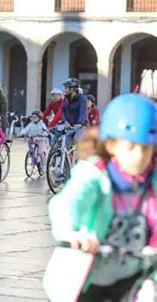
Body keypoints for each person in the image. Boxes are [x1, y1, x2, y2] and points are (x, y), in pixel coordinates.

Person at [48, 93, 156, 301]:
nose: (139, 156)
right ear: (111, 145)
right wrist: (74, 232)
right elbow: (69, 201)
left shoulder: (152, 182)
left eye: (146, 148)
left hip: (134, 278)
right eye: (131, 147)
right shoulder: (95, 173)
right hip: (88, 276)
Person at [61, 77, 88, 147]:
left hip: (80, 126)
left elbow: (83, 112)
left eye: (66, 88)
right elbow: (63, 110)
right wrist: (65, 120)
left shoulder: (82, 99)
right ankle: (67, 157)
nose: (65, 90)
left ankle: (80, 157)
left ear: (73, 89)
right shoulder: (66, 99)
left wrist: (80, 123)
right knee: (67, 143)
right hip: (70, 126)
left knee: (77, 139)